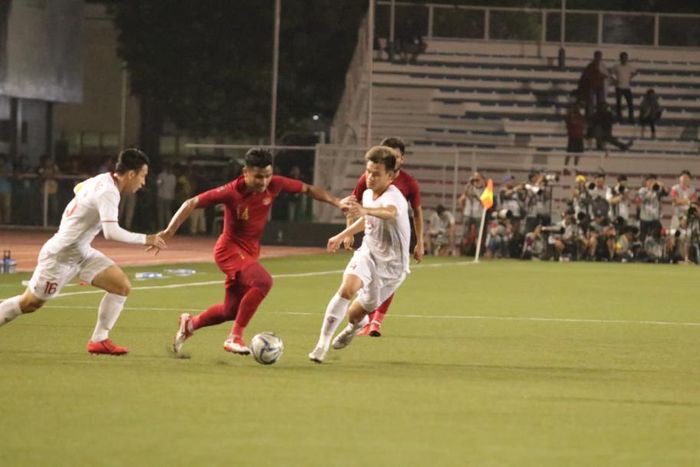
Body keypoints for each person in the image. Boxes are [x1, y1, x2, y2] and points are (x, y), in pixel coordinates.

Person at [165, 147, 341, 355]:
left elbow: (308, 189)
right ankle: (234, 337)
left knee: (231, 310)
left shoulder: (275, 184)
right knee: (263, 281)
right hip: (229, 250)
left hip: (249, 253)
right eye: (258, 177)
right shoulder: (231, 192)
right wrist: (169, 231)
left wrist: (337, 202)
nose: (264, 181)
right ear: (245, 172)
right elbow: (191, 202)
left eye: (267, 175)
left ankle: (191, 324)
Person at [0, 148, 166, 355]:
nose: (143, 182)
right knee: (30, 303)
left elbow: (78, 188)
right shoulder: (108, 192)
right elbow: (110, 232)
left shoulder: (102, 179)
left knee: (121, 286)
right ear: (131, 174)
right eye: (143, 176)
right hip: (60, 255)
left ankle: (99, 340)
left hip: (81, 251)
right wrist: (146, 238)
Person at [308, 146, 410, 363]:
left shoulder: (396, 198)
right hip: (368, 253)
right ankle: (321, 345)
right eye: (368, 171)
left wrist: (365, 210)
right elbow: (367, 220)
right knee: (347, 289)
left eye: (377, 173)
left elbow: (388, 212)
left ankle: (355, 326)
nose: (370, 177)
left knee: (354, 314)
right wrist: (340, 235)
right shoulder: (366, 193)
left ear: (391, 176)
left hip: (392, 270)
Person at [344, 137, 424, 338]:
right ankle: (361, 321)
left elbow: (417, 213)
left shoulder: (409, 183)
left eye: (395, 157)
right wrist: (348, 233)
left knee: (387, 279)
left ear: (402, 159)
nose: (390, 159)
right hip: (373, 239)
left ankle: (375, 321)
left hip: (395, 242)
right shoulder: (369, 177)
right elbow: (355, 204)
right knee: (364, 282)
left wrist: (420, 242)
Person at [578, 50, 609, 119]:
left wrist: (601, 75)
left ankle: (600, 116)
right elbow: (586, 75)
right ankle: (590, 116)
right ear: (595, 56)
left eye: (600, 56)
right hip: (592, 85)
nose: (599, 57)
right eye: (598, 56)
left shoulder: (602, 66)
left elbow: (606, 75)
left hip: (600, 85)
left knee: (600, 102)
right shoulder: (591, 65)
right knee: (590, 102)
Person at [611, 52, 638, 123]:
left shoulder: (630, 67)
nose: (624, 59)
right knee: (619, 104)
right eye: (622, 57)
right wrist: (614, 80)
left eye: (625, 57)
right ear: (620, 58)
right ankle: (619, 118)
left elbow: (635, 72)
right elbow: (610, 73)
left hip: (627, 87)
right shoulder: (616, 66)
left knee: (630, 103)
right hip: (619, 87)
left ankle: (631, 118)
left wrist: (630, 78)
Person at [156, 163, 176, 230]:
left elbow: (158, 184)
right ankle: (164, 228)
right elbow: (158, 183)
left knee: (165, 213)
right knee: (164, 213)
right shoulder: (170, 176)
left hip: (165, 196)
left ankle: (166, 228)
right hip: (164, 195)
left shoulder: (163, 175)